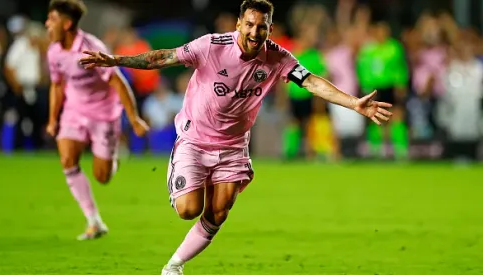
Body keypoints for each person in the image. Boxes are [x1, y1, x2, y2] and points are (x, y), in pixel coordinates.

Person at [80, 0, 392, 273]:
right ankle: (183, 173)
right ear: (239, 24)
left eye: (263, 27)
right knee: (189, 209)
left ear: (270, 29)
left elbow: (310, 81)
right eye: (251, 25)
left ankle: (174, 266)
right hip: (194, 139)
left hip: (232, 147)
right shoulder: (212, 46)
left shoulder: (277, 57)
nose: (256, 32)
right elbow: (163, 58)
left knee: (218, 212)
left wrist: (355, 104)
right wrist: (116, 60)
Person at [45, 0, 148, 241]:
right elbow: (57, 85)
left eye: (52, 19)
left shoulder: (90, 49)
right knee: (67, 159)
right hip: (74, 111)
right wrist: (52, 119)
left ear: (67, 23)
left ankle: (112, 160)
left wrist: (134, 119)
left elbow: (117, 81)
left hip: (103, 114)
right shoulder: (54, 51)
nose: (47, 24)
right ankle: (94, 221)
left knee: (102, 177)